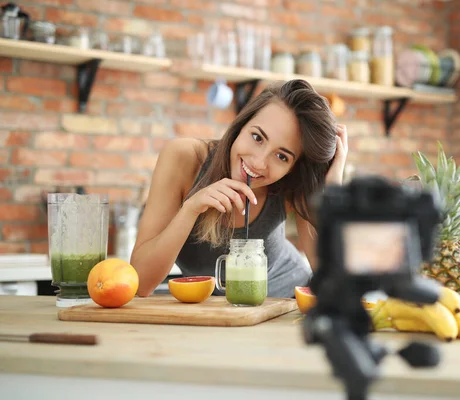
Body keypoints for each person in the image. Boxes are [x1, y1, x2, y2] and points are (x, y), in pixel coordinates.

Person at [131, 79, 349, 298]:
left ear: (292, 168)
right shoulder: (184, 158)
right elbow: (141, 283)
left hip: (284, 306)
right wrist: (190, 209)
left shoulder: (292, 185)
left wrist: (333, 188)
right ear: (241, 124)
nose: (259, 162)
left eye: (282, 156)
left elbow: (337, 288)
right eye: (257, 137)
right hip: (221, 316)